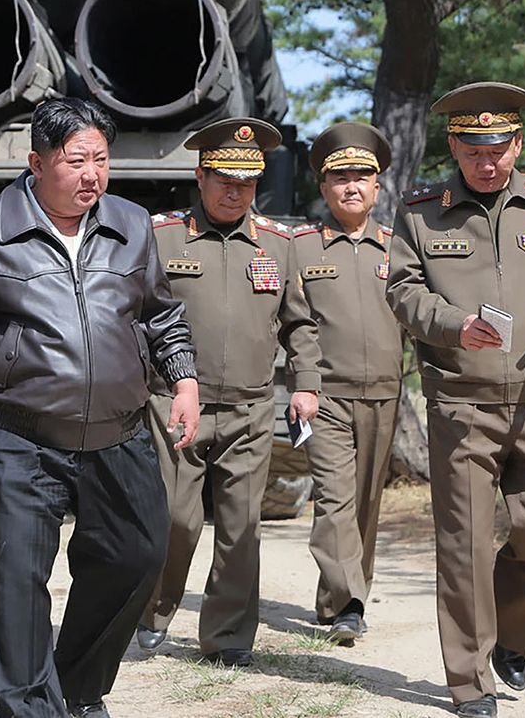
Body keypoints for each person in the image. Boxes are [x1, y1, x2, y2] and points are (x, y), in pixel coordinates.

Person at [0, 97, 199, 718]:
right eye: (76, 160)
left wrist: (185, 380)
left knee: (138, 555)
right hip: (20, 435)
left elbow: (160, 314)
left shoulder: (131, 224)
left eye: (101, 160)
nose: (92, 175)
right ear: (37, 163)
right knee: (18, 580)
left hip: (119, 432)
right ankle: (32, 707)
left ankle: (78, 689)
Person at [384, 82, 525, 718]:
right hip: (462, 403)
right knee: (466, 546)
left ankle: (510, 634)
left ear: (518, 144)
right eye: (474, 151)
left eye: (498, 149)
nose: (487, 163)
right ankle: (470, 682)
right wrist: (456, 325)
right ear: (454, 147)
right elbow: (402, 291)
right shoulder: (422, 212)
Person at [135, 118, 320, 668]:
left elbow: (300, 323)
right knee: (177, 517)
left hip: (250, 406)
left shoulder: (278, 244)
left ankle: (229, 635)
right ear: (200, 176)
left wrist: (306, 384)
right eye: (224, 181)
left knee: (241, 525)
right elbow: (133, 315)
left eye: (247, 182)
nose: (236, 192)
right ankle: (153, 610)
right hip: (175, 403)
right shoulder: (162, 235)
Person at [290, 122, 406, 645]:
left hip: (385, 394)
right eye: (340, 178)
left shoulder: (398, 249)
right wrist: (305, 383)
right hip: (325, 396)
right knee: (334, 499)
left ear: (377, 187)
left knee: (364, 504)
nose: (351, 187)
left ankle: (334, 599)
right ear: (324, 188)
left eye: (362, 177)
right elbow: (295, 323)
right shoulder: (300, 248)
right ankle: (351, 604)